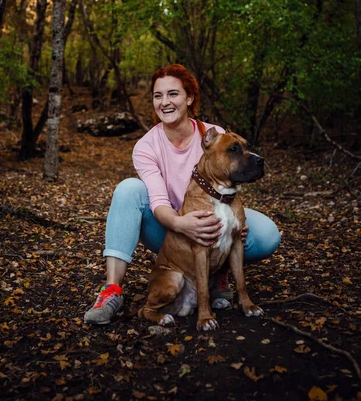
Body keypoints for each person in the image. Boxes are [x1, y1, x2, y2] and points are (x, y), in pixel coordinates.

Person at [84, 64, 281, 325]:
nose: (165, 102)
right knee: (128, 189)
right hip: (169, 227)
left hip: (213, 214)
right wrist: (182, 223)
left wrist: (233, 226)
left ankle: (218, 273)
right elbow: (158, 200)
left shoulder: (215, 136)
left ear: (189, 98)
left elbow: (228, 182)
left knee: (267, 233)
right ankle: (111, 291)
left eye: (173, 94)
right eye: (158, 96)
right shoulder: (146, 146)